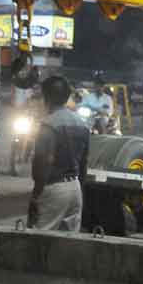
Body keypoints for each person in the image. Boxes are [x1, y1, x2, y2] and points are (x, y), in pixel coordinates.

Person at [28, 75, 90, 231]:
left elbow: (44, 163)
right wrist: (78, 189)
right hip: (75, 187)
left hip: (54, 189)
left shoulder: (48, 125)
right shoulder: (82, 124)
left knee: (40, 241)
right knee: (68, 244)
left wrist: (35, 196)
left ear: (46, 97)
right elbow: (84, 162)